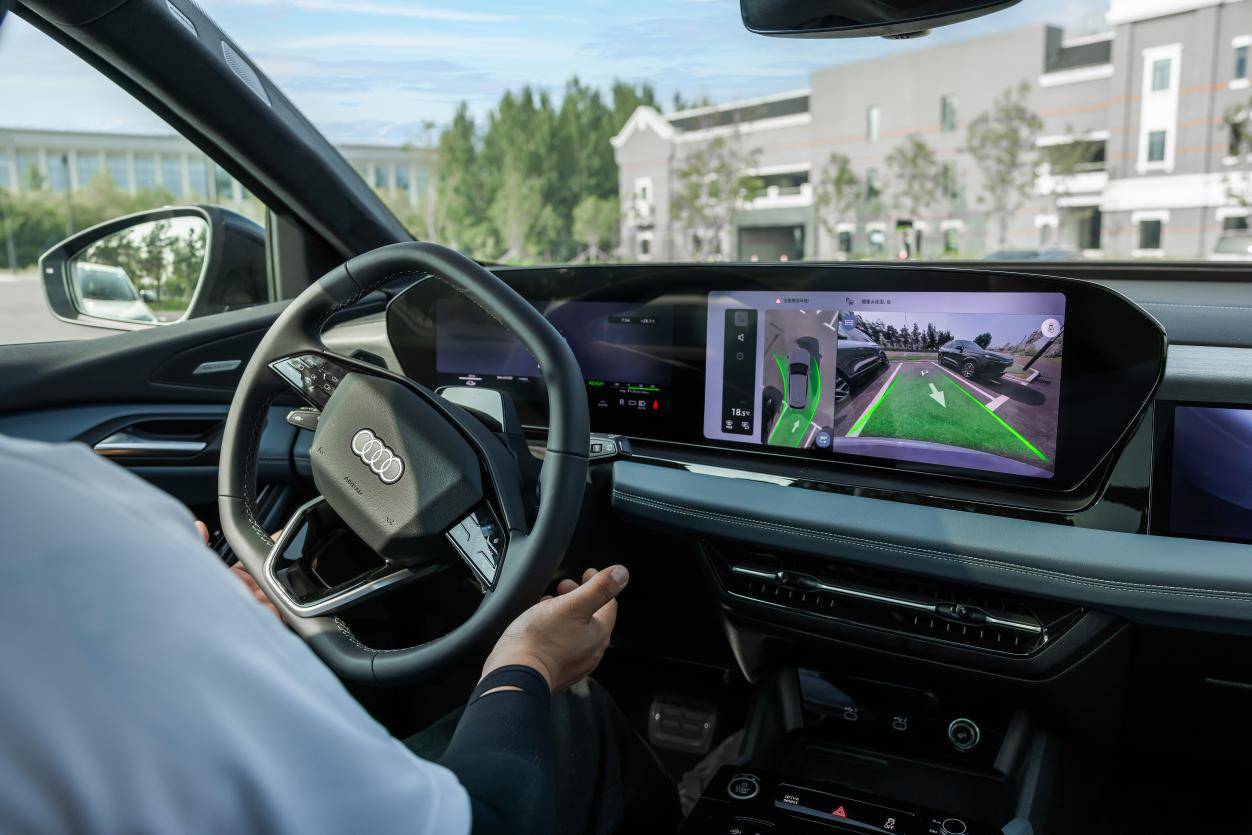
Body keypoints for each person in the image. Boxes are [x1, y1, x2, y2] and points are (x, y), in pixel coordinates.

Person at [0, 433, 680, 833]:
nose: (199, 539)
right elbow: (482, 823)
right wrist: (528, 660)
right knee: (570, 713)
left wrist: (205, 611)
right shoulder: (54, 499)